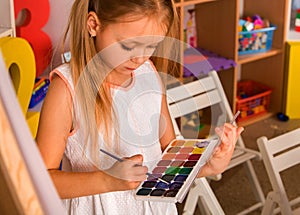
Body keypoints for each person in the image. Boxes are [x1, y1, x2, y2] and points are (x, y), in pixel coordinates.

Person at [36, 0, 244, 214]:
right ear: (93, 25)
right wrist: (108, 180)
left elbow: (168, 157)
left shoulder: (148, 73)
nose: (139, 58)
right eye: (128, 45)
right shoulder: (67, 89)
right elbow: (40, 180)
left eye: (151, 45)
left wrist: (209, 165)